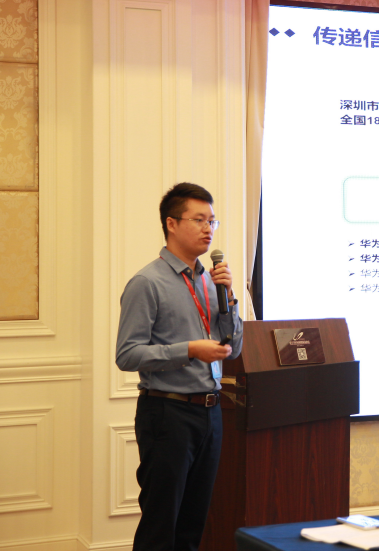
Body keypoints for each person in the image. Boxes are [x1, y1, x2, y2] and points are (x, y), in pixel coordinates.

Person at [115, 182, 244, 551]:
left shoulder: (211, 280)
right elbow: (127, 354)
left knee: (192, 525)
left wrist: (229, 298)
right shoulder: (147, 282)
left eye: (212, 221)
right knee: (161, 526)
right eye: (198, 220)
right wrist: (189, 350)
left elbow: (233, 347)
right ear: (171, 224)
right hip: (167, 413)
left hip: (211, 412)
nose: (208, 229)